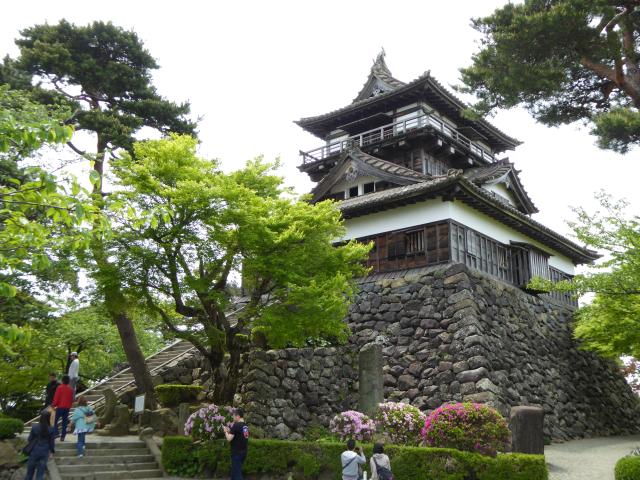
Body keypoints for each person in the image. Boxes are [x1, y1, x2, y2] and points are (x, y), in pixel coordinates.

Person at [24, 411, 55, 480]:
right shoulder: (51, 429)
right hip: (44, 452)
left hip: (34, 451)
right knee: (40, 474)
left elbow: (29, 439)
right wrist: (51, 452)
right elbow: (51, 443)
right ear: (49, 418)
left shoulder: (34, 427)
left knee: (29, 474)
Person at [223, 408, 249, 480]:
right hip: (243, 452)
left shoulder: (236, 425)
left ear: (238, 416)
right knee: (234, 474)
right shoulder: (245, 426)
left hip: (237, 453)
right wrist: (229, 430)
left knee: (237, 475)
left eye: (234, 416)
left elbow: (229, 439)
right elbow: (238, 434)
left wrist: (225, 431)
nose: (233, 417)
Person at [52, 375, 73, 441]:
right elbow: (71, 399)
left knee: (54, 420)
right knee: (64, 423)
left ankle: (56, 433)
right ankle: (63, 436)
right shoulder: (70, 389)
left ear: (62, 380)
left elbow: (56, 397)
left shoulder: (59, 387)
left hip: (60, 407)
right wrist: (69, 406)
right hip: (67, 408)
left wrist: (53, 405)